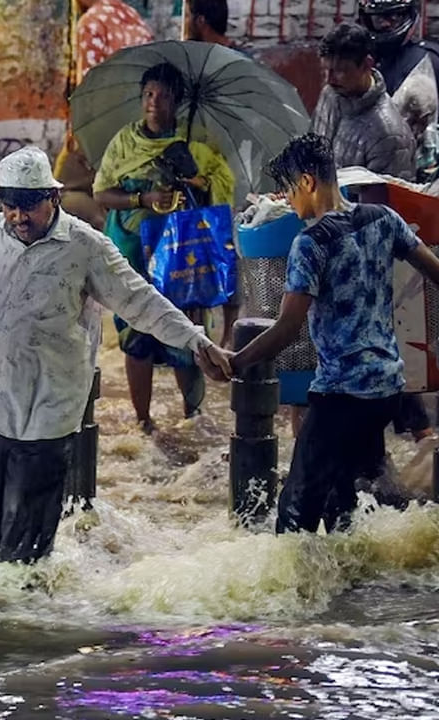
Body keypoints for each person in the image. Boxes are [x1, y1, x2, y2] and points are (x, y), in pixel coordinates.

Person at [0, 147, 232, 565]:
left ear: (54, 198)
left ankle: (24, 609)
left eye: (29, 209)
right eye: (10, 209)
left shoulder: (85, 246)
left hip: (51, 404)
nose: (19, 219)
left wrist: (197, 341)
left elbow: (140, 301)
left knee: (28, 536)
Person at [223, 134, 439, 533]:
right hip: (387, 388)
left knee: (294, 516)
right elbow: (435, 272)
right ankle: (356, 589)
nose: (289, 201)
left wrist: (236, 362)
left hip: (340, 393)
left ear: (307, 182)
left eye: (289, 190)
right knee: (349, 502)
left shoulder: (310, 243)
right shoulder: (383, 219)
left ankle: (296, 593)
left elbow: (288, 328)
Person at [92, 62, 236, 432]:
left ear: (178, 102)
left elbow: (219, 195)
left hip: (180, 256)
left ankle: (194, 418)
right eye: (148, 95)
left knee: (187, 337)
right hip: (133, 251)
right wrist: (144, 198)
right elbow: (102, 192)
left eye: (163, 95)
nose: (153, 102)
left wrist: (195, 180)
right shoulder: (125, 142)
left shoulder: (197, 144)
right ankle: (143, 422)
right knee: (136, 335)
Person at [56, 0, 154, 232]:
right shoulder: (134, 18)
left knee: (58, 193)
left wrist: (79, 131)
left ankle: (100, 237)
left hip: (102, 126)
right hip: (137, 130)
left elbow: (90, 88)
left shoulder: (93, 22)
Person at [312, 23, 416, 179]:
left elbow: (386, 201)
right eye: (325, 70)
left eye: (340, 71)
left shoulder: (390, 136)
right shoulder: (331, 94)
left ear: (367, 64)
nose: (329, 80)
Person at [357, 0, 439, 180]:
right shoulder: (360, 61)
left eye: (393, 17)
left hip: (422, 175)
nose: (386, 24)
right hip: (368, 172)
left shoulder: (429, 61)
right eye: (379, 18)